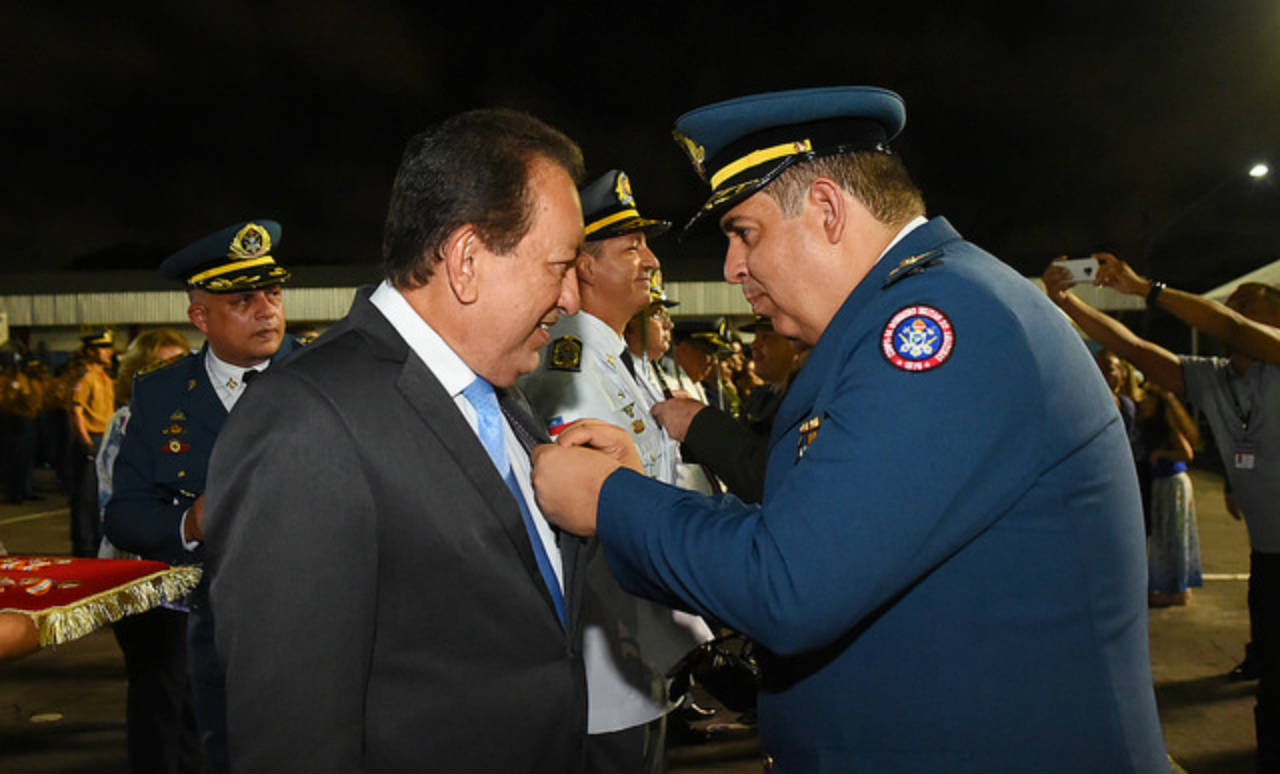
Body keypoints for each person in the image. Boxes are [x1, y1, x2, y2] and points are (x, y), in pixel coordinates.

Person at [531, 86, 1167, 772]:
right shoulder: (906, 313)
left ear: (828, 210)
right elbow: (808, 525)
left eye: (745, 233)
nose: (731, 267)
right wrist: (639, 489)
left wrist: (609, 501)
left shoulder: (939, 322)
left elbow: (787, 581)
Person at [203, 109, 592, 771]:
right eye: (560, 267)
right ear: (466, 261)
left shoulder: (498, 394)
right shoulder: (306, 424)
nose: (573, 299)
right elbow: (293, 741)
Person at [1043, 252, 1280, 771]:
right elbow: (1135, 350)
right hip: (1268, 557)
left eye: (1249, 300)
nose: (1234, 304)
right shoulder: (1217, 378)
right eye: (1235, 299)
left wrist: (1142, 288)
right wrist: (1067, 303)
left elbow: (1231, 326)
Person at [521, 169, 712, 770]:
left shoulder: (619, 358)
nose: (651, 261)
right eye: (631, 248)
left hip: (644, 652)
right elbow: (591, 516)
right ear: (584, 267)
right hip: (611, 665)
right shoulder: (573, 365)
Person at [105, 220, 299, 772]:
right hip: (205, 629)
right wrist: (189, 523)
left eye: (273, 293)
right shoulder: (161, 394)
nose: (266, 310)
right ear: (200, 317)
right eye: (243, 300)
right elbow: (124, 514)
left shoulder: (324, 373)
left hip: (315, 619)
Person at [97, 327, 200, 774]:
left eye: (180, 364)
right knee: (159, 699)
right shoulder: (129, 421)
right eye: (160, 366)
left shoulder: (188, 418)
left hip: (186, 583)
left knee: (191, 700)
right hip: (143, 584)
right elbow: (120, 509)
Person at [653, 317, 805, 504]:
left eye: (766, 337)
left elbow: (764, 474)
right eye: (756, 337)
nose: (754, 345)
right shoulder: (763, 397)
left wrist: (698, 422)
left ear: (795, 344)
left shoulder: (803, 400)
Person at [1138, 383, 1203, 607]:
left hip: (1172, 483)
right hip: (1163, 483)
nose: (1144, 404)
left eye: (1149, 400)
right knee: (1166, 536)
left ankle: (1178, 590)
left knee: (1175, 535)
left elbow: (1187, 453)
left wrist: (1162, 454)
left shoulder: (1168, 426)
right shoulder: (1151, 426)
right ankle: (1170, 586)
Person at [69, 329, 116, 557]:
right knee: (86, 496)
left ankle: (96, 539)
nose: (109, 352)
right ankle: (84, 544)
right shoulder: (85, 377)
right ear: (90, 352)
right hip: (92, 439)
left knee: (100, 493)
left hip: (104, 439)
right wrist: (86, 442)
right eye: (103, 348)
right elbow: (76, 411)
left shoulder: (104, 376)